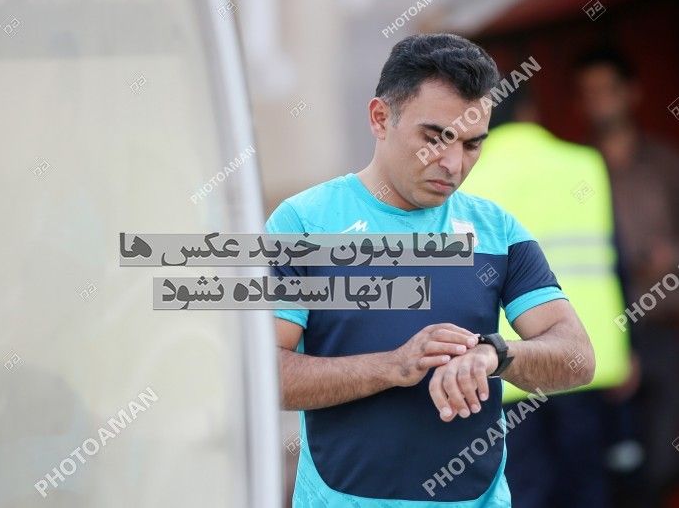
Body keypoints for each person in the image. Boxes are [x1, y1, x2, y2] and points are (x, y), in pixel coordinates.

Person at [266, 33, 595, 507]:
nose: (453, 164)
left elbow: (578, 359)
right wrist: (393, 366)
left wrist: (496, 355)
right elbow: (265, 376)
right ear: (380, 118)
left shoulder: (497, 230)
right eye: (435, 137)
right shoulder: (303, 223)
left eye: (472, 144)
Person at [459, 89, 631, 508]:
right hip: (585, 360)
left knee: (524, 491)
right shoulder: (584, 163)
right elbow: (617, 258)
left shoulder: (467, 177)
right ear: (531, 110)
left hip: (505, 367)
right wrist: (631, 348)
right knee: (588, 487)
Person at [575, 47, 679, 506]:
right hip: (601, 339)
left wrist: (670, 255)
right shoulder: (577, 167)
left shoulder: (665, 163)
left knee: (663, 458)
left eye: (608, 88)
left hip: (664, 328)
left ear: (632, 93)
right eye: (589, 92)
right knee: (608, 463)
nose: (599, 100)